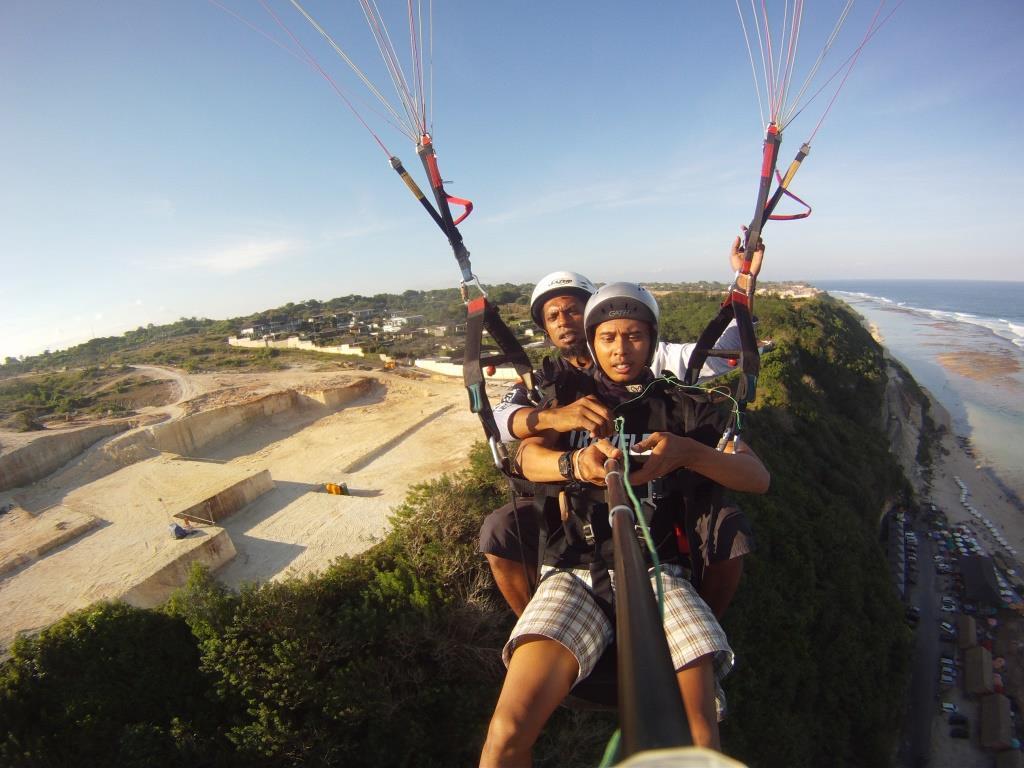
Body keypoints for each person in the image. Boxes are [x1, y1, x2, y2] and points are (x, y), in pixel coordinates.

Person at [479, 283, 770, 763]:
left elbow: (756, 477)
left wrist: (688, 453)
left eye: (634, 336)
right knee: (507, 731)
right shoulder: (568, 398)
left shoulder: (682, 405)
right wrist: (574, 464)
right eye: (608, 337)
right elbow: (526, 456)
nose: (620, 349)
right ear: (591, 342)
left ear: (652, 341)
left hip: (662, 575)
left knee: (697, 737)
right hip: (575, 569)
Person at [479, 237, 762, 617]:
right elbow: (501, 422)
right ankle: (535, 615)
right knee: (501, 527)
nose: (565, 322)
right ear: (546, 329)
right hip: (572, 490)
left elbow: (720, 354)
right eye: (553, 316)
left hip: (650, 489)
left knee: (725, 523)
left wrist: (744, 280)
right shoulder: (548, 381)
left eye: (573, 311)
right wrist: (554, 419)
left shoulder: (650, 359)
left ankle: (707, 615)